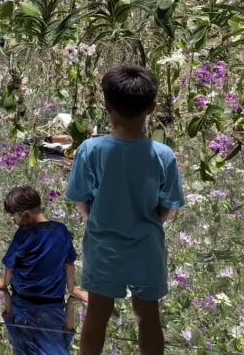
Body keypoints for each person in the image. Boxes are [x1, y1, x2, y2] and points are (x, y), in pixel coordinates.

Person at [65, 65, 185, 355]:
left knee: (97, 315)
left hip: (104, 247)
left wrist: (93, 216)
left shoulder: (91, 150)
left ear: (107, 106)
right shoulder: (163, 154)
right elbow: (168, 206)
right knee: (148, 317)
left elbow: (81, 197)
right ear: (152, 108)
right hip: (147, 248)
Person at [0, 186, 87, 355]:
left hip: (24, 298)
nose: (14, 221)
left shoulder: (24, 234)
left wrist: (3, 283)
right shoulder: (61, 231)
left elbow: (10, 265)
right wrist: (72, 289)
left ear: (26, 215)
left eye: (14, 217)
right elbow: (69, 264)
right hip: (53, 299)